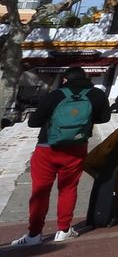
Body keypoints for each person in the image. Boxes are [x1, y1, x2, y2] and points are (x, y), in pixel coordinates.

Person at [9, 67, 111, 246]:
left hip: (47, 148)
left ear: (65, 79)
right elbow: (105, 119)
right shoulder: (97, 95)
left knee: (40, 191)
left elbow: (34, 122)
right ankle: (63, 230)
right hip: (76, 148)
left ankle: (34, 235)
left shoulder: (55, 95)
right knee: (68, 188)